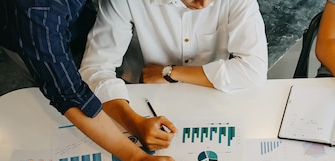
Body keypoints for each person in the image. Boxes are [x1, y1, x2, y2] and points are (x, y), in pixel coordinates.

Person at [0, 0, 189, 161]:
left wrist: (132, 121)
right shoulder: (37, 13)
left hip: (75, 20)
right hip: (32, 33)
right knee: (57, 92)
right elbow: (71, 96)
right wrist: (139, 160)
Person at [79, 0, 268, 147]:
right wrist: (133, 123)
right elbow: (95, 69)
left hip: (213, 95)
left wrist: (169, 73)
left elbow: (254, 70)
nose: (203, 4)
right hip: (142, 96)